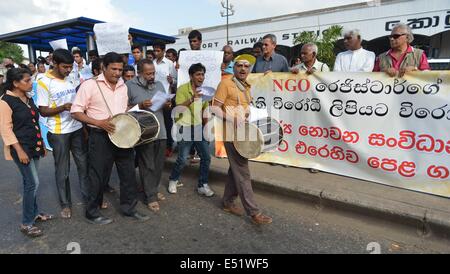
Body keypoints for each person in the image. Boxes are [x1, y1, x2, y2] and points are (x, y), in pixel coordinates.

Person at [71, 52, 150, 225]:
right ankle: (92, 212)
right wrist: (99, 123)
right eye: (113, 69)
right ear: (103, 68)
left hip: (122, 135)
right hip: (99, 136)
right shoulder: (89, 85)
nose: (117, 73)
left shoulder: (123, 85)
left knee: (128, 173)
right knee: (98, 176)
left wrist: (134, 111)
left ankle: (129, 208)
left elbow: (123, 108)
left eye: (120, 69)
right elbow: (76, 112)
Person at [212, 55, 272, 225]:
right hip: (231, 135)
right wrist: (232, 118)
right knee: (243, 172)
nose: (243, 69)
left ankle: (227, 202)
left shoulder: (246, 86)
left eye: (246, 66)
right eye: (239, 66)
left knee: (236, 170)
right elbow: (214, 109)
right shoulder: (225, 84)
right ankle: (254, 212)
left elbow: (246, 108)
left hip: (243, 133)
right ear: (234, 67)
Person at [0, 68, 54, 237]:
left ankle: (34, 213)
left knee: (30, 183)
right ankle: (26, 223)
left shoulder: (28, 98)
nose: (31, 84)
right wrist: (19, 151)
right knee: (32, 183)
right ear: (15, 83)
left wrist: (42, 144)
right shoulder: (5, 101)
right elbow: (6, 130)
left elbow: (35, 123)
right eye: (27, 81)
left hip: (34, 146)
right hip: (21, 149)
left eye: (31, 80)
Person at [36, 49, 88, 219]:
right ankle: (65, 204)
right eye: (65, 67)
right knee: (62, 170)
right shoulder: (44, 81)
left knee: (83, 165)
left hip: (77, 128)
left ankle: (89, 199)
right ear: (55, 64)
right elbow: (43, 111)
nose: (68, 70)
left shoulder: (72, 76)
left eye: (70, 67)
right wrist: (63, 107)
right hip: (59, 133)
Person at [127, 60, 170, 212]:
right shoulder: (129, 86)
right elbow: (123, 109)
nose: (152, 76)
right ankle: (150, 196)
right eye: (148, 73)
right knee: (147, 165)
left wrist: (166, 104)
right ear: (139, 72)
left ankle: (153, 189)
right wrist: (140, 106)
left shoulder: (159, 85)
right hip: (143, 132)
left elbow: (165, 102)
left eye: (153, 73)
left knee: (158, 165)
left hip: (161, 130)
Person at [168, 63, 214, 197]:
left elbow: (205, 111)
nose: (201, 77)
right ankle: (173, 179)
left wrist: (207, 127)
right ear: (191, 76)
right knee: (182, 158)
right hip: (185, 127)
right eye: (198, 74)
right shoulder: (182, 89)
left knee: (206, 157)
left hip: (199, 127)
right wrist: (192, 99)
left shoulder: (205, 91)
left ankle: (202, 185)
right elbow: (178, 109)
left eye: (203, 74)